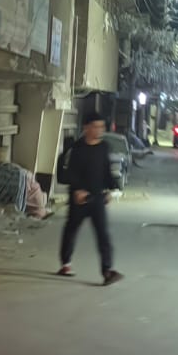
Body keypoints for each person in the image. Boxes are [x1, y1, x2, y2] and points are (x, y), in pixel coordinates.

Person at [55, 113, 122, 286]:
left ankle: (107, 271)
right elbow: (65, 172)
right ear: (86, 128)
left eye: (102, 127)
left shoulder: (104, 147)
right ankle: (66, 263)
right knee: (71, 229)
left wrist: (110, 190)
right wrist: (77, 189)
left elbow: (107, 170)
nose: (99, 130)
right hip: (79, 199)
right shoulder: (76, 148)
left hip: (98, 197)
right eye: (95, 126)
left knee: (103, 234)